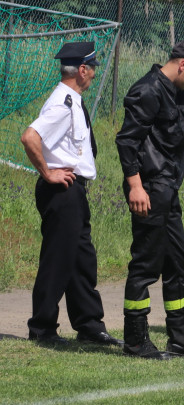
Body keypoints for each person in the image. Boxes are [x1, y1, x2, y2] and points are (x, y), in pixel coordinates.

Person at [115, 40, 184, 359]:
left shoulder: (181, 89)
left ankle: (180, 338)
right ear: (183, 63)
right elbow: (126, 141)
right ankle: (135, 339)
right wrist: (135, 186)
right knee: (146, 264)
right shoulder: (147, 90)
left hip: (168, 188)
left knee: (177, 262)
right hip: (148, 187)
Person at [19, 42, 122, 348]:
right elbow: (30, 137)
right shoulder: (62, 103)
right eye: (92, 69)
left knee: (81, 260)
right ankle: (42, 328)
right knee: (58, 259)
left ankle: (89, 323)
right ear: (82, 70)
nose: (92, 76)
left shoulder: (72, 100)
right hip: (60, 189)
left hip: (73, 191)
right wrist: (47, 172)